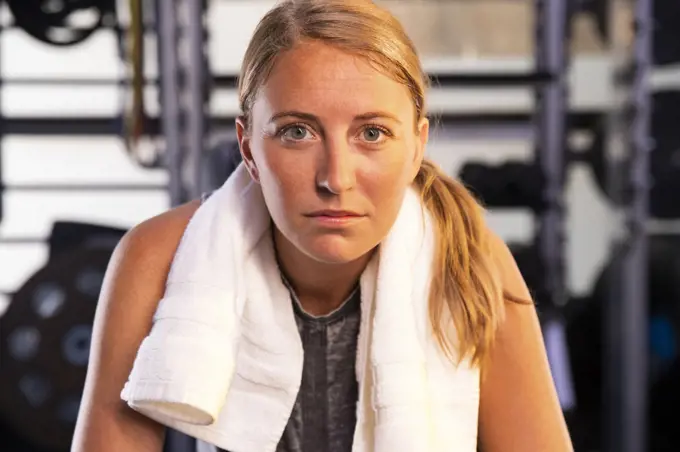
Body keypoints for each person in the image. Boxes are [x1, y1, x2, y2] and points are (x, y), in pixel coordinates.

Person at [72, 0, 573, 451]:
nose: (336, 178)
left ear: (417, 145)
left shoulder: (470, 260)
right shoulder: (157, 256)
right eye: (297, 132)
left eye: (372, 133)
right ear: (247, 148)